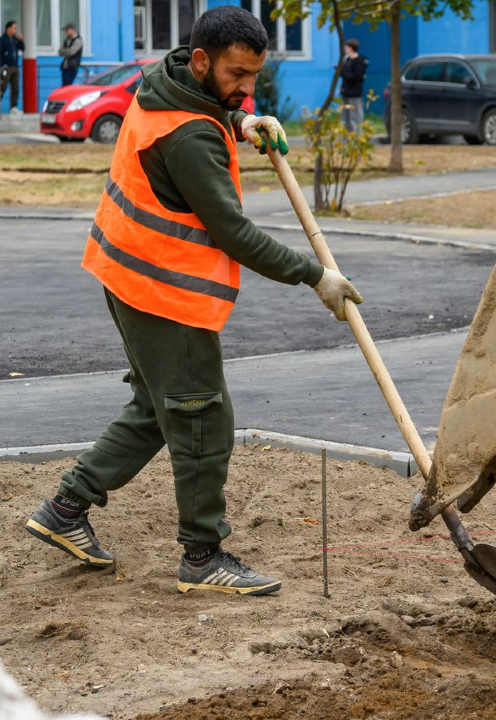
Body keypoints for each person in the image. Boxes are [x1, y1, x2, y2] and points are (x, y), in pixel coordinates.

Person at [25, 6, 362, 596]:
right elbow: (233, 231)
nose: (246, 87)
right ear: (203, 60)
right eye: (236, 75)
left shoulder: (168, 84)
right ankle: (203, 557)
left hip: (124, 271)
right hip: (162, 290)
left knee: (161, 407)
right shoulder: (188, 135)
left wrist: (243, 121)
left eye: (254, 76)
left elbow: (206, 113)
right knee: (202, 413)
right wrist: (315, 276)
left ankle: (65, 509)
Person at [339, 38, 368, 132]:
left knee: (355, 117)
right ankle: (346, 139)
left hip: (355, 93)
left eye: (346, 47)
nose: (345, 49)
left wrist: (343, 73)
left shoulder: (360, 61)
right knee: (345, 118)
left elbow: (356, 77)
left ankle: (357, 138)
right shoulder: (346, 59)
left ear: (351, 48)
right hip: (345, 92)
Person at [0, 21, 24, 114]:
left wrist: (21, 40)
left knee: (15, 88)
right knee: (2, 87)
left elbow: (22, 48)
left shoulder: (15, 39)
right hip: (5, 67)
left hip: (15, 67)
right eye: (14, 28)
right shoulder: (3, 39)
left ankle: (13, 107)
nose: (15, 30)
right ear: (8, 28)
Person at [58, 23, 82, 87]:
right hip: (65, 66)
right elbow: (60, 51)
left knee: (67, 85)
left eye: (67, 30)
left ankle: (65, 97)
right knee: (64, 85)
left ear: (73, 30)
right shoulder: (66, 40)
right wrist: (66, 51)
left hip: (72, 66)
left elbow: (71, 52)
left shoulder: (78, 41)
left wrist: (65, 51)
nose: (65, 32)